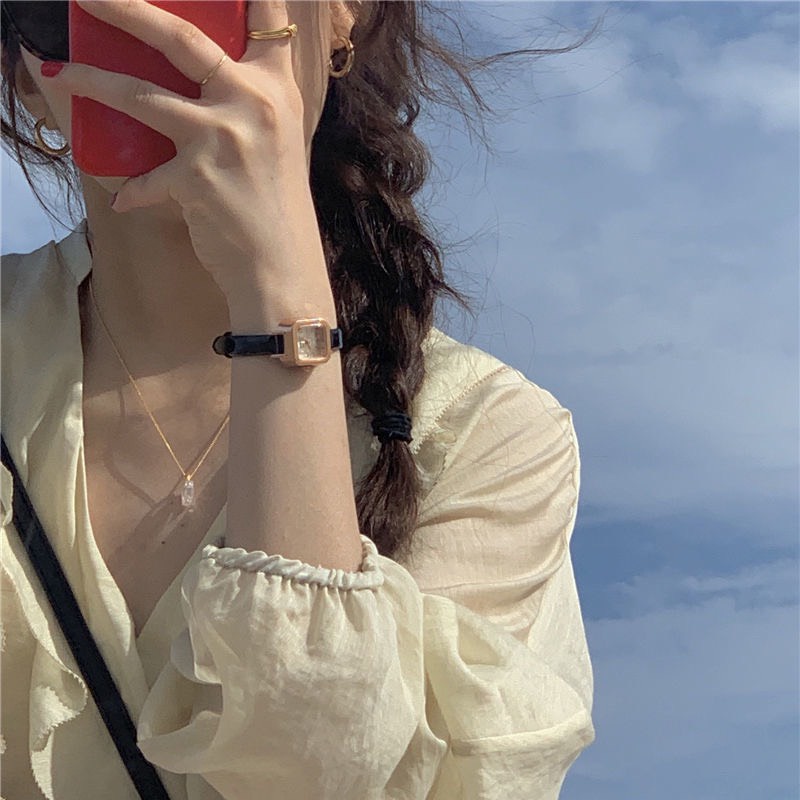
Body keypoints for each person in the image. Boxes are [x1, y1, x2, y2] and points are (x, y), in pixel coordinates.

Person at [0, 1, 597, 798]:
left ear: (343, 20)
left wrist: (279, 293)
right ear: (24, 77)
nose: (147, 23)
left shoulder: (489, 432)